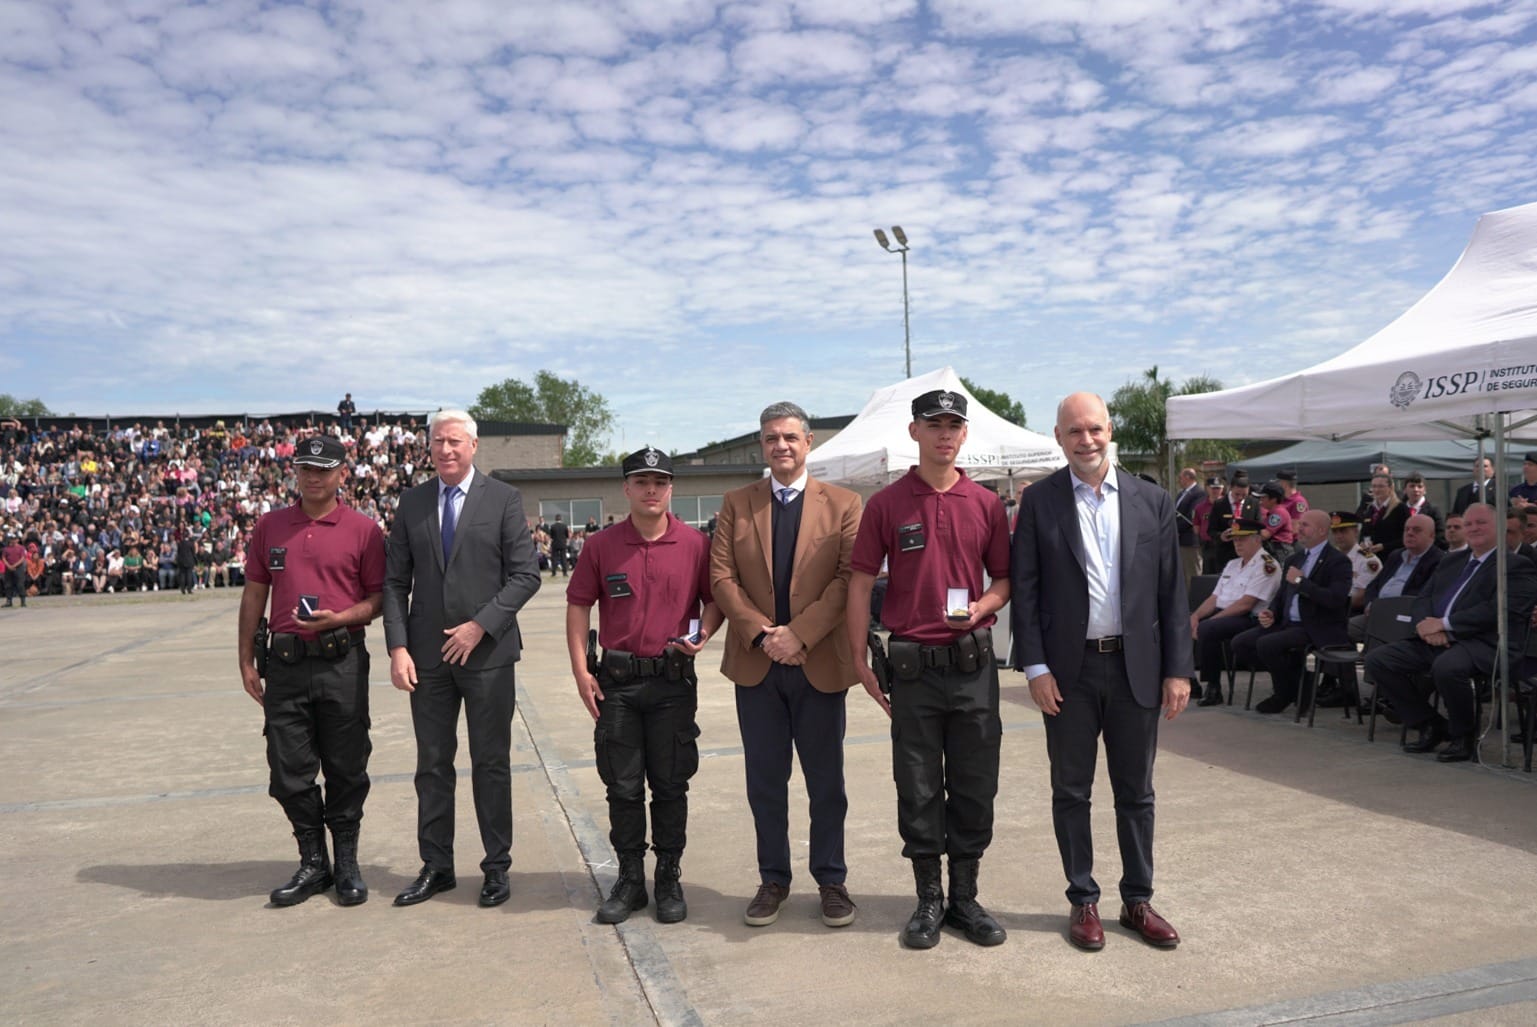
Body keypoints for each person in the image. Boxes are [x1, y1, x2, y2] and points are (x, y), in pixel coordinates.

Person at [1011, 391, 1192, 953]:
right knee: (1071, 790)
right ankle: (1082, 900)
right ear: (1058, 437)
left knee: (1136, 792)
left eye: (1094, 429)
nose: (1085, 441)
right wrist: (1035, 666)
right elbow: (1027, 589)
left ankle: (1137, 898)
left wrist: (1177, 670)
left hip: (1137, 669)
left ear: (1109, 430)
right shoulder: (1039, 502)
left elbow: (1171, 592)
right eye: (1073, 432)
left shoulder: (1153, 501)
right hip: (1068, 673)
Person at [845, 388, 1012, 950]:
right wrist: (858, 659)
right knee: (916, 788)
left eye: (953, 424)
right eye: (933, 423)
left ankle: (965, 898)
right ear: (913, 432)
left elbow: (1004, 580)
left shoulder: (985, 504)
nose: (944, 433)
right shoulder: (887, 505)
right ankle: (928, 900)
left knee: (974, 784)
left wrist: (982, 609)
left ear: (964, 434)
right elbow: (861, 582)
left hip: (972, 669)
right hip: (911, 671)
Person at [710, 402, 863, 929]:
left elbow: (847, 580)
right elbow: (722, 579)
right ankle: (773, 879)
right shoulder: (736, 504)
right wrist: (762, 634)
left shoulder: (844, 504)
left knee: (827, 784)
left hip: (818, 663)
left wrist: (799, 634)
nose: (781, 446)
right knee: (765, 782)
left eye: (790, 437)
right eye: (772, 438)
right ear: (762, 445)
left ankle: (831, 880)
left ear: (809, 442)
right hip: (757, 666)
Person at [383, 409, 542, 909]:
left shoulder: (503, 500)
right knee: (432, 764)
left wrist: (480, 625)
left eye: (455, 442)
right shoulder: (412, 503)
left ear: (473, 446)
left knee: (490, 763)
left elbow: (525, 575)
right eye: (437, 442)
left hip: (488, 655)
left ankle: (496, 867)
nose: (446, 450)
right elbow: (394, 582)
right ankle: (437, 866)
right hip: (427, 658)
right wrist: (398, 647)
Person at [566, 447, 720, 924]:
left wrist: (703, 634)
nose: (651, 490)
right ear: (626, 488)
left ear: (671, 488)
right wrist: (580, 672)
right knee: (623, 786)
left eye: (660, 481)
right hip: (618, 685)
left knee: (671, 785)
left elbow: (715, 602)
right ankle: (631, 879)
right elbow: (578, 607)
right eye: (641, 481)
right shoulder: (601, 545)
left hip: (673, 681)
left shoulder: (696, 544)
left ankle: (668, 877)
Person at [237, 434, 386, 907]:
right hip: (283, 665)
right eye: (305, 468)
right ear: (295, 472)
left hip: (341, 661)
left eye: (324, 469)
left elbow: (380, 599)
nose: (314, 476)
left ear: (344, 473)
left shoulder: (364, 530)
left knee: (346, 765)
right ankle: (312, 861)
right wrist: (244, 658)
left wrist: (341, 618)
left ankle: (345, 862)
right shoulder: (270, 527)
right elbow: (254, 594)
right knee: (287, 769)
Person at [1365, 505, 1537, 763]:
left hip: (1485, 643)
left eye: (1481, 522)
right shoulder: (1451, 560)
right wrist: (1425, 625)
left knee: (1446, 667)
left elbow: (1499, 610)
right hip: (1436, 638)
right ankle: (1430, 724)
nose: (1473, 528)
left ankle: (1463, 736)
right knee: (1378, 660)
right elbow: (1424, 597)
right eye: (1468, 524)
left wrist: (1445, 625)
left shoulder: (1514, 565)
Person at [1230, 510, 1352, 715]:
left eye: (1305, 525)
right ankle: (1299, 682)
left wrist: (1301, 583)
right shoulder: (1294, 559)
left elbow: (1335, 599)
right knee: (1240, 643)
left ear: (1322, 530)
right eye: (1299, 524)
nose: (1299, 529)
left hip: (1316, 625)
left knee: (1268, 644)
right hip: (1287, 623)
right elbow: (1282, 595)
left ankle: (1284, 693)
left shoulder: (1338, 561)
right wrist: (1271, 612)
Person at [1189, 517, 1279, 707]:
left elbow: (1245, 604)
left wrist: (1209, 621)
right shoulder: (1232, 564)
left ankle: (1213, 687)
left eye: (1243, 539)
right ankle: (1189, 680)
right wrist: (1196, 616)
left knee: (1208, 629)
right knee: (1183, 624)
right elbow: (1214, 598)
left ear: (1257, 539)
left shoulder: (1267, 565)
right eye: (1235, 539)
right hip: (1225, 614)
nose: (1237, 543)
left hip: (1251, 618)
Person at [1351, 513, 1443, 642]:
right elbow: (1374, 585)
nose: (1410, 533)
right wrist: (1370, 604)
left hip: (1404, 618)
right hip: (1377, 614)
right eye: (1407, 529)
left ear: (1431, 536)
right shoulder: (1396, 555)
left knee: (1379, 643)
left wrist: (1389, 609)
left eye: (1416, 530)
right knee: (1342, 630)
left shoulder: (1439, 561)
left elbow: (1425, 597)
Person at [1359, 475, 1407, 559]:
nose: (1377, 490)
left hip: (1392, 559)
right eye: (1374, 486)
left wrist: (1384, 546)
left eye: (1381, 486)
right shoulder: (1369, 509)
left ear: (1390, 488)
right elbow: (1363, 534)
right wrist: (1362, 545)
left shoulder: (1400, 508)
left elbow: (1406, 538)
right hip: (1372, 560)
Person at [1173, 468, 1202, 583]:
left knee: (1192, 573)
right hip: (1180, 541)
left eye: (1180, 478)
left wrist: (1175, 528)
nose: (1179, 480)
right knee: (1183, 575)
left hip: (1190, 541)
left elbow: (1191, 517)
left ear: (1187, 477)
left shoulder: (1198, 493)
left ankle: (1195, 599)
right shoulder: (1181, 494)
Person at [2, 534, 26, 607]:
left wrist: (14, 565)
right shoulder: (6, 549)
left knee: (20, 585)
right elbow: (3, 558)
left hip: (18, 568)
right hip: (8, 568)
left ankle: (23, 601)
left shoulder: (21, 548)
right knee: (8, 585)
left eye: (14, 539)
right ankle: (9, 601)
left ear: (17, 540)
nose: (13, 540)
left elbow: (22, 558)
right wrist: (9, 566)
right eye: (12, 539)